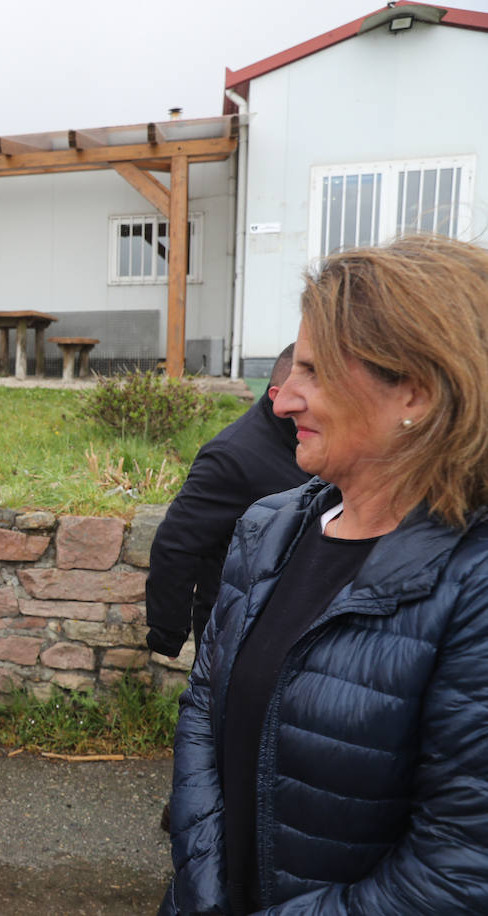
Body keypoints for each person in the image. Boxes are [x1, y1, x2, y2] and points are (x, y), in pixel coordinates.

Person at [161, 234, 488, 915]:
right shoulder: (270, 526)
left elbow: (459, 868)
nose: (281, 402)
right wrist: (204, 885)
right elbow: (202, 712)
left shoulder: (472, 585)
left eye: (313, 372)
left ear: (417, 394)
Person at [145, 344, 307, 660]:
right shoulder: (232, 456)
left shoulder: (308, 441)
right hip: (238, 636)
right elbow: (176, 543)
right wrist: (168, 633)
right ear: (277, 395)